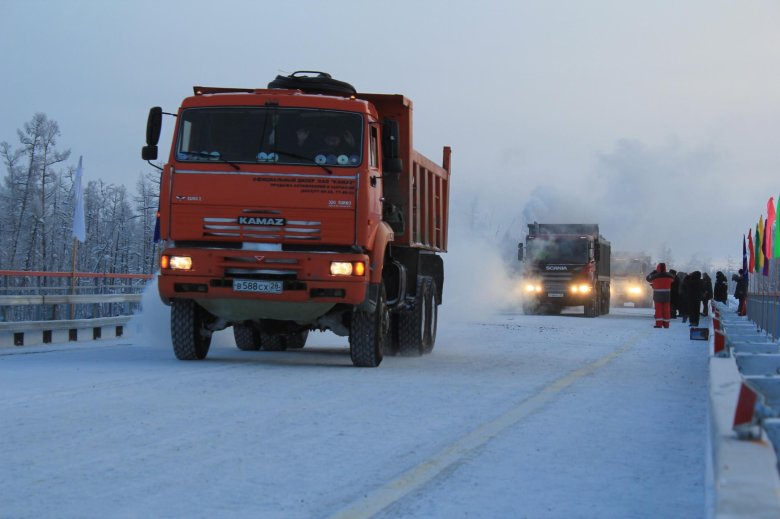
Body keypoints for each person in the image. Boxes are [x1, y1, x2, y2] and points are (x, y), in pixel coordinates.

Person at [646, 262, 675, 328]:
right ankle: (666, 324)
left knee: (658, 310)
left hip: (658, 295)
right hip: (667, 296)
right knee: (666, 310)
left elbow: (648, 279)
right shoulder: (669, 276)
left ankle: (659, 324)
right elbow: (673, 279)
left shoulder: (655, 276)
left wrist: (653, 273)